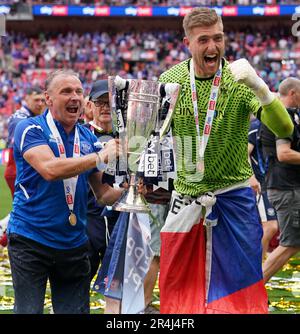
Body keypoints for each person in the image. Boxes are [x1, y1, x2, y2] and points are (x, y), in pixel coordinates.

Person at [158, 7, 294, 314]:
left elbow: (285, 128)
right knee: (178, 291)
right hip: (186, 196)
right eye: (203, 40)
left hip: (234, 195)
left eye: (218, 38)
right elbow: (152, 138)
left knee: (241, 289)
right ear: (187, 43)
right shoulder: (170, 79)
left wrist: (261, 89)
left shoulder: (239, 77)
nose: (213, 47)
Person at [6, 69, 125, 314]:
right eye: (66, 91)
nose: (75, 97)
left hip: (73, 244)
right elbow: (50, 169)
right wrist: (99, 156)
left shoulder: (86, 137)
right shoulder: (30, 129)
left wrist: (132, 187)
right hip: (31, 240)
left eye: (79, 92)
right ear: (48, 99)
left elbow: (103, 194)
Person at [261, 77, 300, 283]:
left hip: (284, 185)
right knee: (290, 243)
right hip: (286, 187)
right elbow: (284, 153)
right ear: (293, 93)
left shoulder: (277, 114)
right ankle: (250, 290)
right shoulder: (284, 115)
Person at [0, 86, 46, 248]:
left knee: (23, 207)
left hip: (21, 169)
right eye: (36, 100)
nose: (40, 103)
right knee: (24, 209)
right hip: (18, 170)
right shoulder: (20, 117)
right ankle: (7, 238)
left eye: (42, 100)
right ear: (25, 99)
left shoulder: (29, 116)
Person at [248, 116, 279, 260]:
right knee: (271, 226)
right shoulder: (256, 126)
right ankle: (257, 269)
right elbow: (244, 153)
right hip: (261, 183)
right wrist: (251, 177)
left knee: (270, 226)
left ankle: (259, 265)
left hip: (273, 181)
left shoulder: (275, 124)